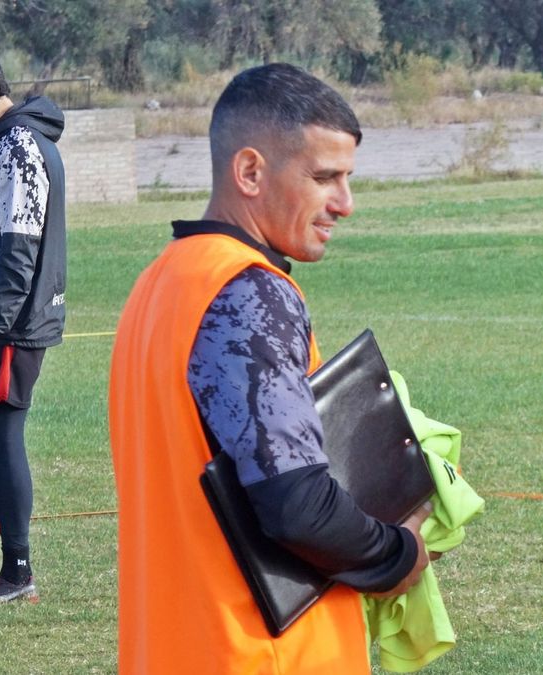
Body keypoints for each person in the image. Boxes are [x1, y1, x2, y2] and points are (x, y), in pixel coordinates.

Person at [108, 64, 430, 673]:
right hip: (259, 654)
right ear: (251, 171)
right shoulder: (249, 292)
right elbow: (295, 505)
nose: (346, 204)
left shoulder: (159, 282)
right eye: (324, 177)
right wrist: (397, 554)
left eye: (348, 178)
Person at [0, 59, 66, 603]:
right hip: (17, 320)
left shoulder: (16, 144)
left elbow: (18, 251)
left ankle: (18, 572)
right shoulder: (16, 137)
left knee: (4, 437)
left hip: (11, 327)